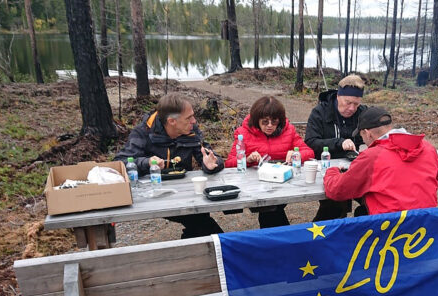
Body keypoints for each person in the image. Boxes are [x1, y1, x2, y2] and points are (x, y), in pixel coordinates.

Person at [115, 93, 225, 238]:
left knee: (201, 223)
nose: (194, 121)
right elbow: (120, 163)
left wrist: (212, 164)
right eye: (189, 118)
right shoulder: (144, 132)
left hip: (185, 193)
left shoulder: (191, 130)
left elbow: (211, 157)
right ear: (172, 121)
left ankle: (194, 249)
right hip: (153, 195)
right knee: (205, 226)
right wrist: (147, 162)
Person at [323, 107, 438, 215]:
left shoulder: (372, 156)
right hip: (427, 223)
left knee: (361, 212)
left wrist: (332, 171)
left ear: (367, 133)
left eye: (361, 136)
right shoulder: (428, 148)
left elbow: (337, 190)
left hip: (389, 229)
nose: (364, 141)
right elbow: (437, 174)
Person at [224, 96, 315, 228]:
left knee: (272, 211)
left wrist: (297, 154)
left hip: (283, 183)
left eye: (274, 121)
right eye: (265, 122)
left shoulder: (288, 130)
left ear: (280, 120)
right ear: (256, 120)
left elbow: (310, 152)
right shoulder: (243, 133)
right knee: (271, 211)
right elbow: (229, 163)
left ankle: (276, 240)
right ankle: (283, 239)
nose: (270, 126)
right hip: (257, 186)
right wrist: (247, 159)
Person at [305, 74, 368, 221]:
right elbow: (310, 142)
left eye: (356, 104)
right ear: (338, 96)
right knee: (334, 206)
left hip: (356, 167)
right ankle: (317, 238)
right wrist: (339, 143)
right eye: (348, 102)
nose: (352, 108)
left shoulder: (363, 112)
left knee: (374, 200)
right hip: (327, 168)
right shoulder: (320, 112)